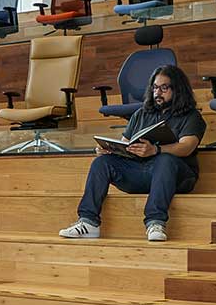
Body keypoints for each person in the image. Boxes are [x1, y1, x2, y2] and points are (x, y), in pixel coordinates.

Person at [59, 64, 205, 242]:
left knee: (165, 159)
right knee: (102, 163)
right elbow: (125, 144)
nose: (158, 92)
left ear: (178, 89)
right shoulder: (141, 114)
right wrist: (110, 150)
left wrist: (155, 150)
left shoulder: (191, 116)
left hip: (177, 177)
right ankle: (89, 222)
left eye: (164, 88)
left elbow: (187, 146)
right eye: (155, 87)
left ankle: (155, 222)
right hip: (142, 173)